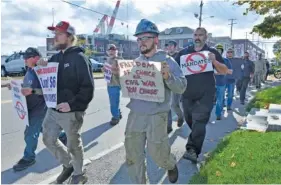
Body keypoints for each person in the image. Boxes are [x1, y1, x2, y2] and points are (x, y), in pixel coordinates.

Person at [125, 19, 187, 184]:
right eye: (139, 39)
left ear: (156, 40)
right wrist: (117, 74)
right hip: (136, 114)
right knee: (132, 155)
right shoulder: (136, 62)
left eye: (145, 38)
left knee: (158, 154)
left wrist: (168, 77)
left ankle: (170, 164)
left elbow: (181, 87)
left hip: (156, 115)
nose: (141, 42)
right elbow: (126, 85)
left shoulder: (167, 61)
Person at [38, 21, 94, 184]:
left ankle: (79, 174)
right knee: (48, 139)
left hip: (71, 110)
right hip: (53, 108)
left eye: (59, 34)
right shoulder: (54, 58)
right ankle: (68, 165)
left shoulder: (80, 58)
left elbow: (87, 88)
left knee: (73, 143)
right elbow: (48, 79)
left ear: (70, 37)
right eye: (54, 34)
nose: (55, 37)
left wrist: (72, 104)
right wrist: (42, 66)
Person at [175, 27, 228, 163]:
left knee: (199, 122)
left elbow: (224, 71)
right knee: (191, 121)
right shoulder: (183, 53)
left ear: (206, 37)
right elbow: (172, 68)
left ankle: (192, 150)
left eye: (200, 35)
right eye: (195, 35)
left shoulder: (212, 52)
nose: (197, 37)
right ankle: (194, 139)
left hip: (206, 95)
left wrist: (214, 61)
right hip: (187, 94)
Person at [7, 48, 47, 171]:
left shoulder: (42, 70)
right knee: (42, 128)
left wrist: (33, 91)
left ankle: (29, 158)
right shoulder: (30, 69)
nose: (24, 60)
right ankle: (62, 136)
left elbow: (48, 90)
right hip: (30, 107)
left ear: (35, 58)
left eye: (26, 58)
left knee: (29, 134)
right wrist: (15, 87)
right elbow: (27, 85)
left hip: (39, 108)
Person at [167, 40, 184, 130]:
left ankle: (180, 116)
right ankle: (168, 125)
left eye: (171, 45)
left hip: (176, 83)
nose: (169, 47)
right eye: (168, 46)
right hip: (166, 83)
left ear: (175, 47)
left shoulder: (180, 56)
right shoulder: (164, 57)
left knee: (174, 105)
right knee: (167, 104)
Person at [103, 44, 122, 125]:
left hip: (116, 84)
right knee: (114, 101)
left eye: (113, 50)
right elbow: (106, 72)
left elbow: (123, 72)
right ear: (107, 51)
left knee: (113, 102)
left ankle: (115, 117)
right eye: (110, 50)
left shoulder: (119, 60)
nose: (111, 51)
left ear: (116, 51)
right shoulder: (107, 60)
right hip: (110, 84)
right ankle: (118, 113)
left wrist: (114, 71)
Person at [214, 44, 233, 120]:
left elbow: (231, 71)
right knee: (208, 101)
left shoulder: (226, 60)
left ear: (222, 51)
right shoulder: (210, 61)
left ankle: (218, 114)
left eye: (220, 50)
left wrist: (222, 71)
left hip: (221, 83)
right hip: (210, 84)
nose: (218, 52)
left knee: (219, 99)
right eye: (217, 50)